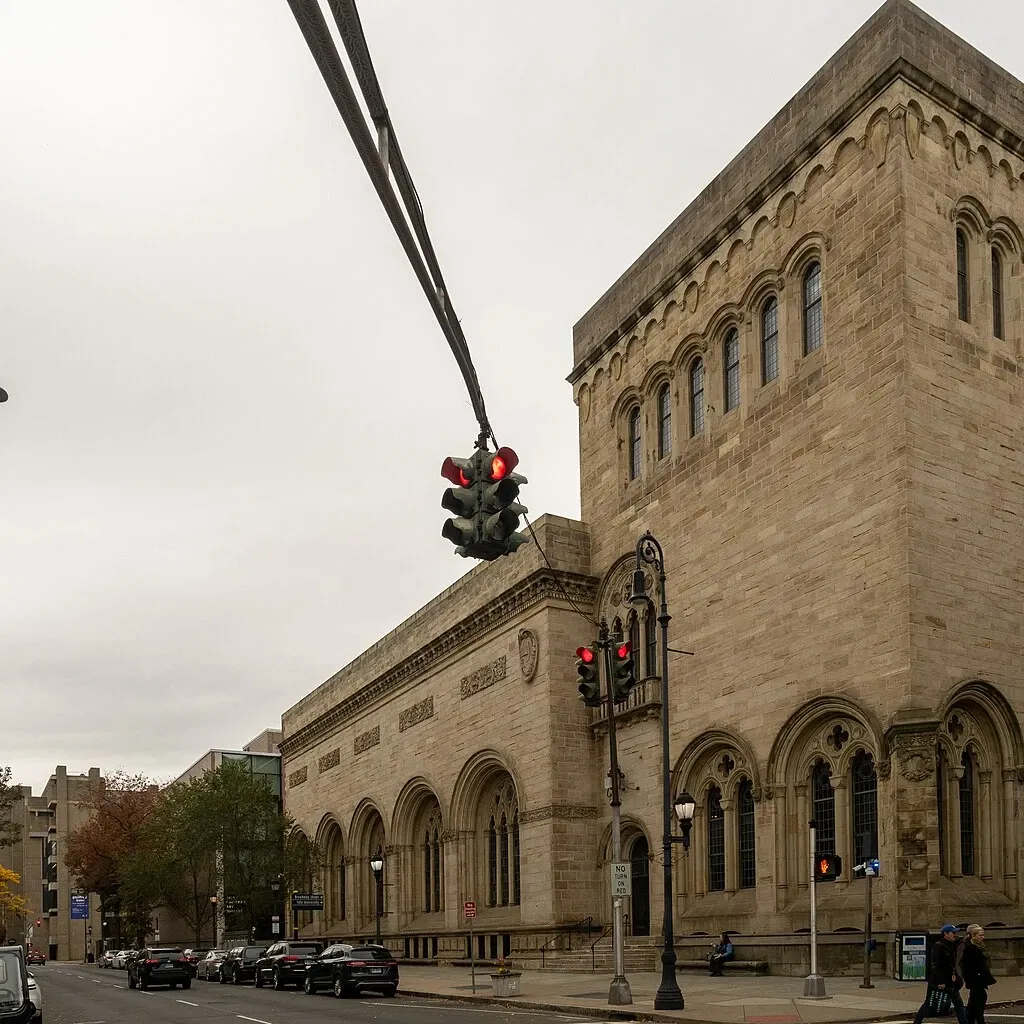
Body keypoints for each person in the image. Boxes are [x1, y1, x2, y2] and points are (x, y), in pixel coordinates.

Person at [912, 924, 967, 1024]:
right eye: (953, 933)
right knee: (929, 1002)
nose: (955, 935)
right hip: (940, 981)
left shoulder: (951, 944)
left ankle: (964, 1022)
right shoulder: (939, 946)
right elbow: (935, 966)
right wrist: (940, 981)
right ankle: (917, 1020)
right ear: (946, 934)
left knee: (958, 1003)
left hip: (950, 980)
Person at [960, 924, 996, 1024]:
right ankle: (979, 1021)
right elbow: (968, 967)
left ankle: (969, 1020)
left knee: (974, 1002)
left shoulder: (980, 947)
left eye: (983, 935)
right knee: (979, 1000)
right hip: (975, 979)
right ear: (973, 936)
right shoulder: (970, 949)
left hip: (980, 978)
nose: (982, 937)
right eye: (980, 935)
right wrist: (977, 977)